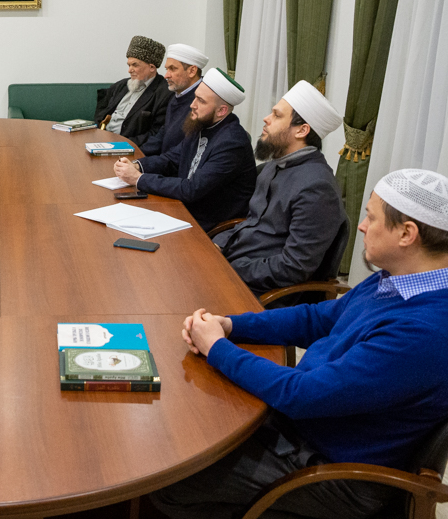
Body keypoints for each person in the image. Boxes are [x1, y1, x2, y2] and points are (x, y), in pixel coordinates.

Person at [151, 168, 448, 519]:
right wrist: (231, 325)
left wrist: (217, 348)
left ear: (406, 234)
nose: (362, 226)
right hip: (310, 424)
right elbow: (316, 319)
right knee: (183, 425)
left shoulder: (423, 332)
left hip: (333, 472)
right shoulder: (396, 279)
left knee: (172, 477)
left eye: (371, 217)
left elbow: (301, 395)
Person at [213, 80, 347, 295]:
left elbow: (293, 268)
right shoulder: (275, 165)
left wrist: (231, 269)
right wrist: (218, 245)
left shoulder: (318, 188)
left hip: (261, 291)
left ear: (302, 130)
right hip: (236, 265)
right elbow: (251, 222)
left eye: (277, 115)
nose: (266, 119)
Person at [113, 68, 256, 231]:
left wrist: (139, 179)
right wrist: (137, 165)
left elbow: (192, 189)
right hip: (182, 209)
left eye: (201, 101)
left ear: (221, 111)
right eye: (195, 97)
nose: (192, 105)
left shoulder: (232, 143)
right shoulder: (202, 124)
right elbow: (172, 159)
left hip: (207, 224)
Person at [93, 36, 172, 148]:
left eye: (135, 65)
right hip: (101, 140)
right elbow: (102, 111)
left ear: (152, 67)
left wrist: (122, 145)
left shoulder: (164, 93)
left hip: (128, 147)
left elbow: (156, 134)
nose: (129, 70)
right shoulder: (121, 85)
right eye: (129, 65)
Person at [139, 43, 207, 157]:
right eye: (167, 69)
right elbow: (163, 134)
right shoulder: (177, 94)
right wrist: (137, 154)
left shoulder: (202, 102)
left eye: (173, 69)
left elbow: (182, 153)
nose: (166, 75)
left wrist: (142, 163)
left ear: (192, 71)